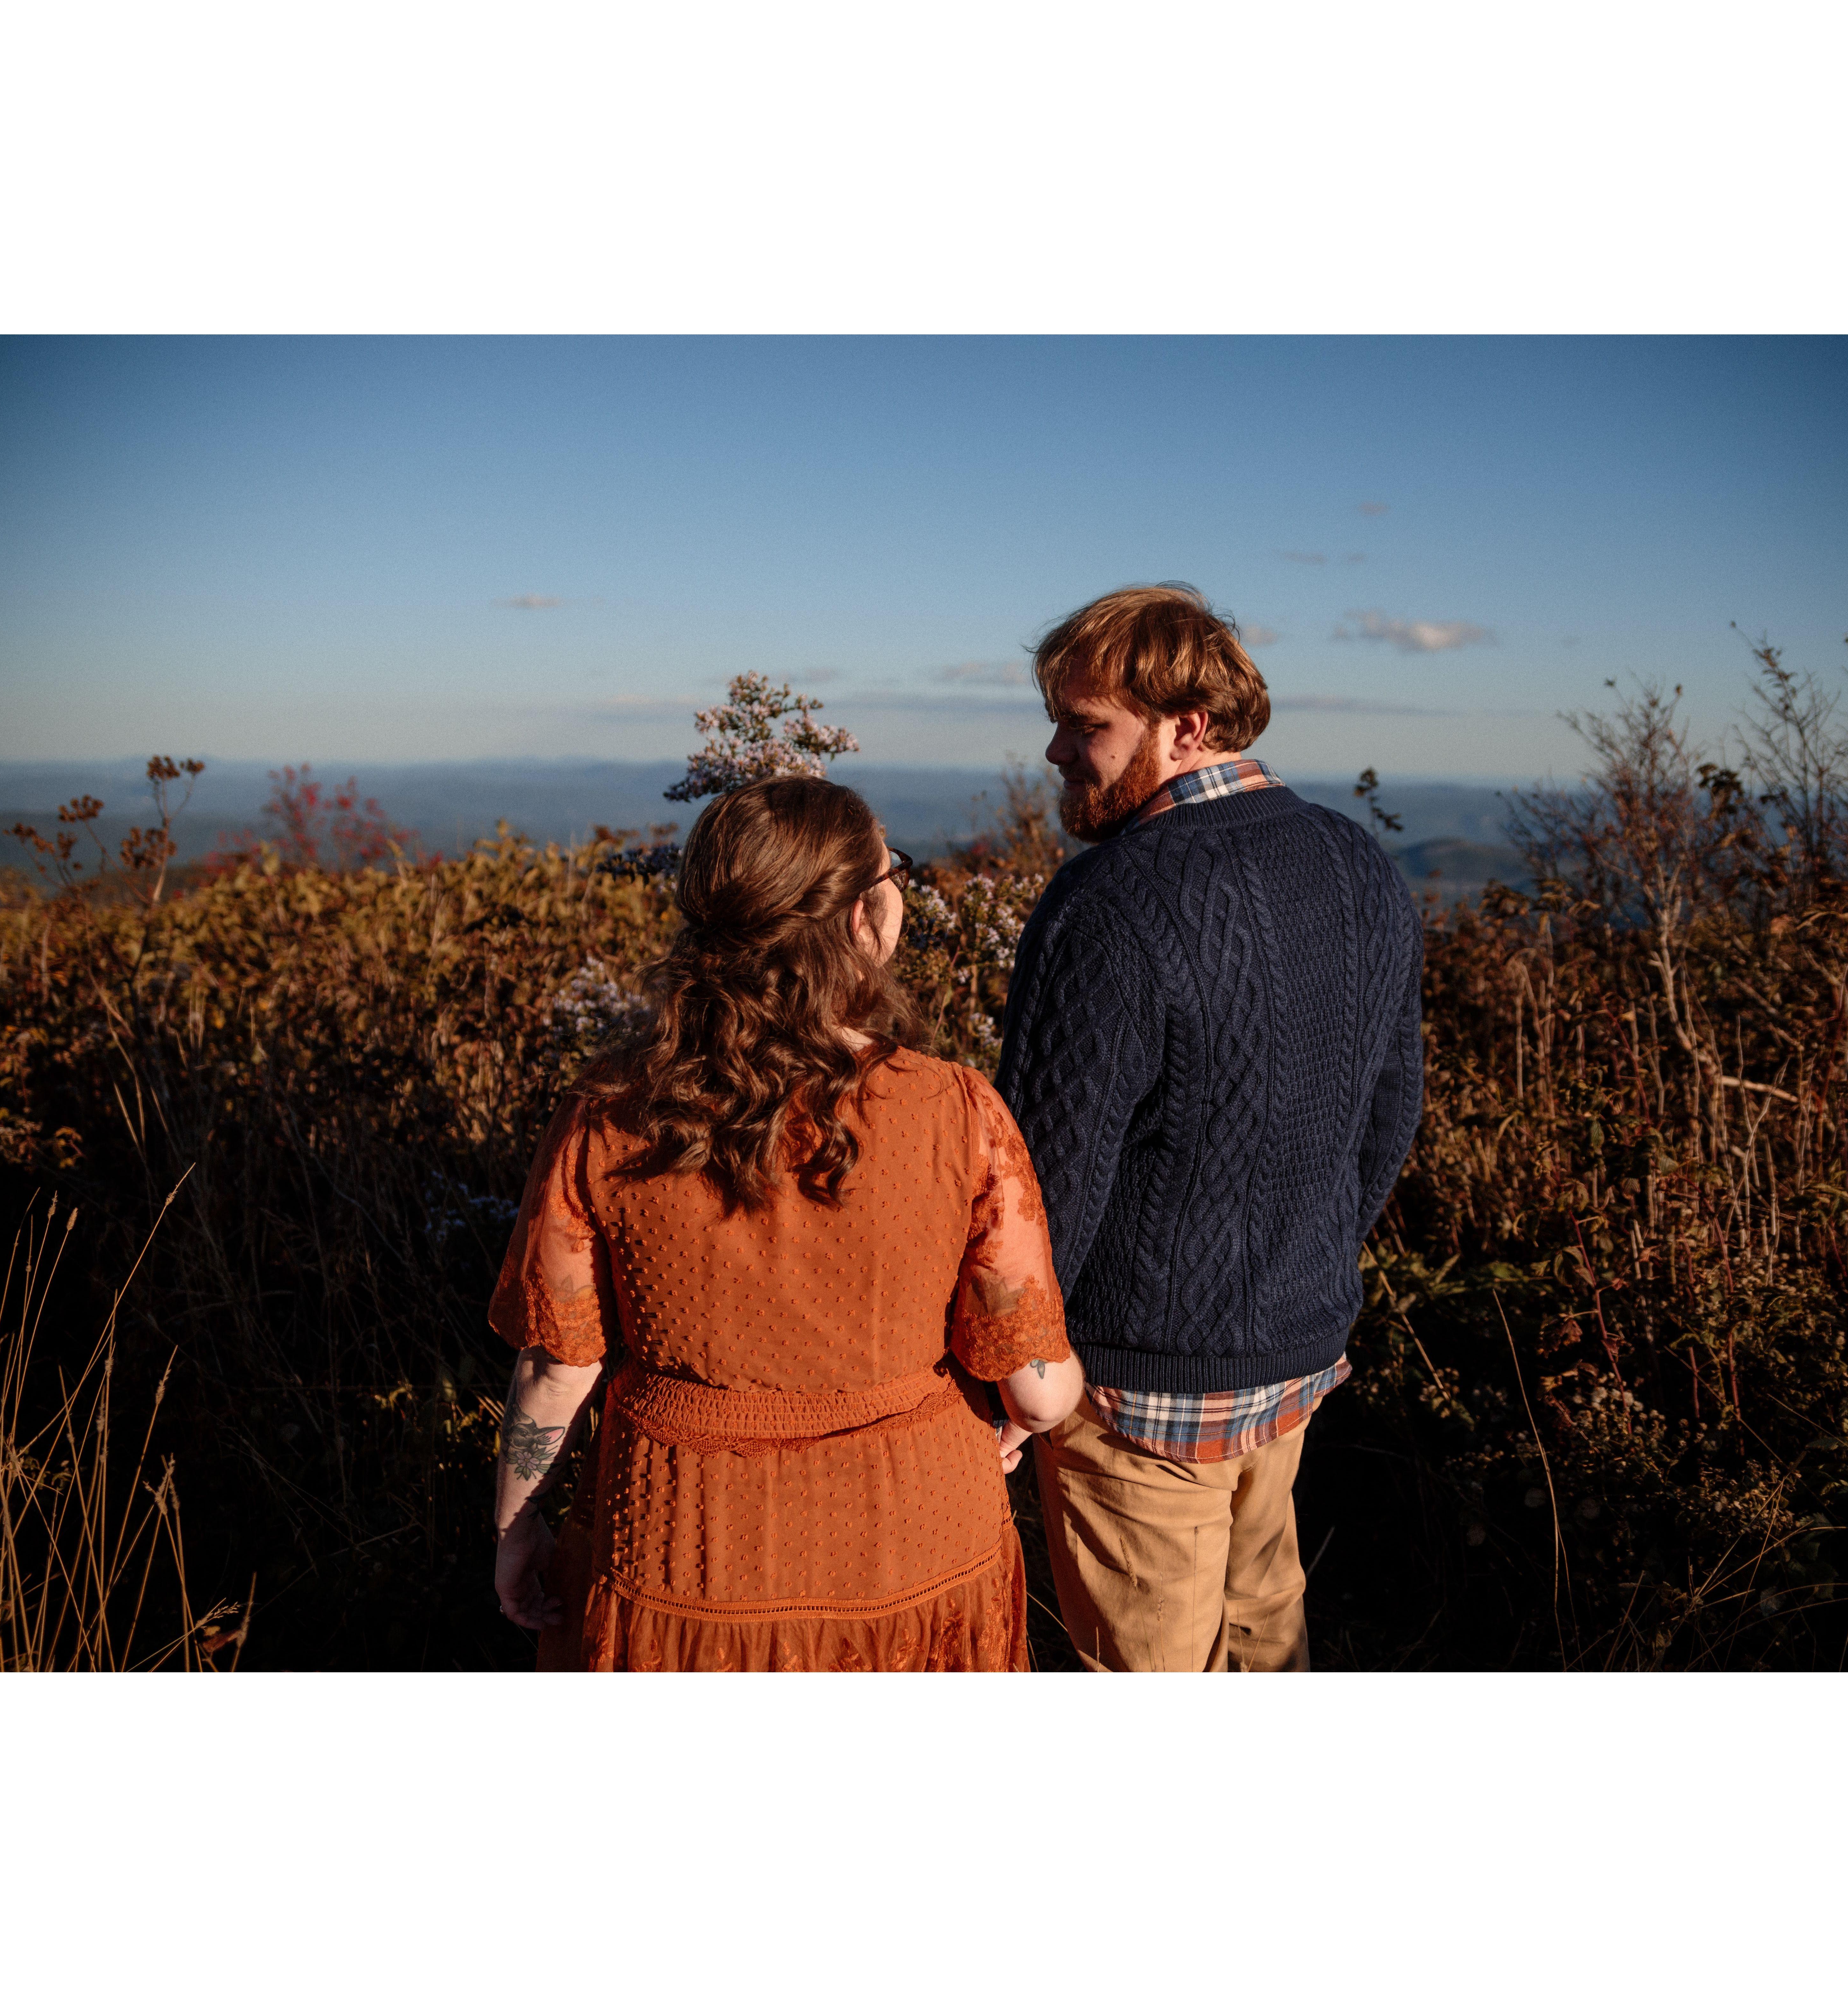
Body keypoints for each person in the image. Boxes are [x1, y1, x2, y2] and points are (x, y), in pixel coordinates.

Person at [489, 776, 1082, 1671]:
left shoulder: (610, 1111)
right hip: (916, 1552)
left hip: (682, 1559)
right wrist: (1036, 1411)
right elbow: (1035, 1387)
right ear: (855, 920)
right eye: (892, 875)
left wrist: (515, 1522)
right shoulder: (957, 1110)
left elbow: (555, 1366)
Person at [996, 583, 1423, 1672]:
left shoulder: (1110, 902)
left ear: (1189, 726)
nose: (1053, 750)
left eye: (1084, 724)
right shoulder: (1358, 864)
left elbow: (1043, 1180)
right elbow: (1388, 1115)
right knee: (1264, 1646)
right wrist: (1303, 1263)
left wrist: (1009, 1371)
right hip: (1294, 1357)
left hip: (1134, 1389)